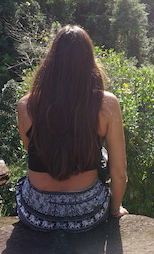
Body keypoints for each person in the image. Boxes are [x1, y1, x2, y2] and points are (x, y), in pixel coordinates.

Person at [16, 25, 128, 232]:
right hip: (86, 213)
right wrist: (115, 209)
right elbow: (119, 173)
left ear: (51, 61)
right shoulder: (106, 104)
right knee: (102, 153)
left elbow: (32, 150)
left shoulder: (26, 105)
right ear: (89, 62)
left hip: (36, 212)